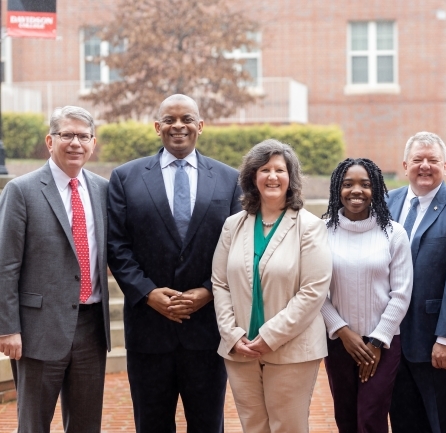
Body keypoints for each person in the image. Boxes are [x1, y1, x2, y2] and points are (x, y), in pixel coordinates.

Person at [107, 94, 241, 433]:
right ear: (157, 127)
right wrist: (149, 293)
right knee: (151, 425)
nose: (178, 125)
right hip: (149, 330)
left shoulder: (229, 180)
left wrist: (208, 292)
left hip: (207, 331)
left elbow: (238, 249)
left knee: (208, 425)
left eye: (186, 119)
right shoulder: (126, 178)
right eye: (169, 120)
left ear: (200, 126)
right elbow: (117, 246)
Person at [0, 106, 111, 432]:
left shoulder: (103, 190)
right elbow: (6, 264)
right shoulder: (22, 190)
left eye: (83, 136)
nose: (75, 143)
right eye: (67, 135)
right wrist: (8, 328)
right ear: (50, 141)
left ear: (93, 143)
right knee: (34, 424)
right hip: (38, 330)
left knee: (86, 425)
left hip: (92, 329)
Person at [212, 139, 332, 433]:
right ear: (253, 177)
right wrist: (232, 334)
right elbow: (220, 283)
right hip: (241, 349)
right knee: (253, 427)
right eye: (264, 169)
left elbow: (313, 291)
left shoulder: (310, 226)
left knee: (287, 427)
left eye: (280, 169)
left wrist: (270, 336)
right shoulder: (233, 225)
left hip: (292, 349)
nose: (272, 176)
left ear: (291, 178)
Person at [387, 131, 446, 433]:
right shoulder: (387, 202)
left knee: (443, 423)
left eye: (433, 160)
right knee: (403, 422)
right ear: (405, 166)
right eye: (418, 160)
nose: (425, 166)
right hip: (392, 341)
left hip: (436, 345)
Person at [321, 158, 413, 433]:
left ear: (377, 190)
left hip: (382, 345)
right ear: (338, 188)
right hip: (339, 343)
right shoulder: (321, 231)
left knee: (371, 419)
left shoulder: (393, 233)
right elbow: (314, 290)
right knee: (346, 419)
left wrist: (376, 341)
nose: (356, 191)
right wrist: (343, 331)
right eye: (348, 184)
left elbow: (401, 293)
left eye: (365, 184)